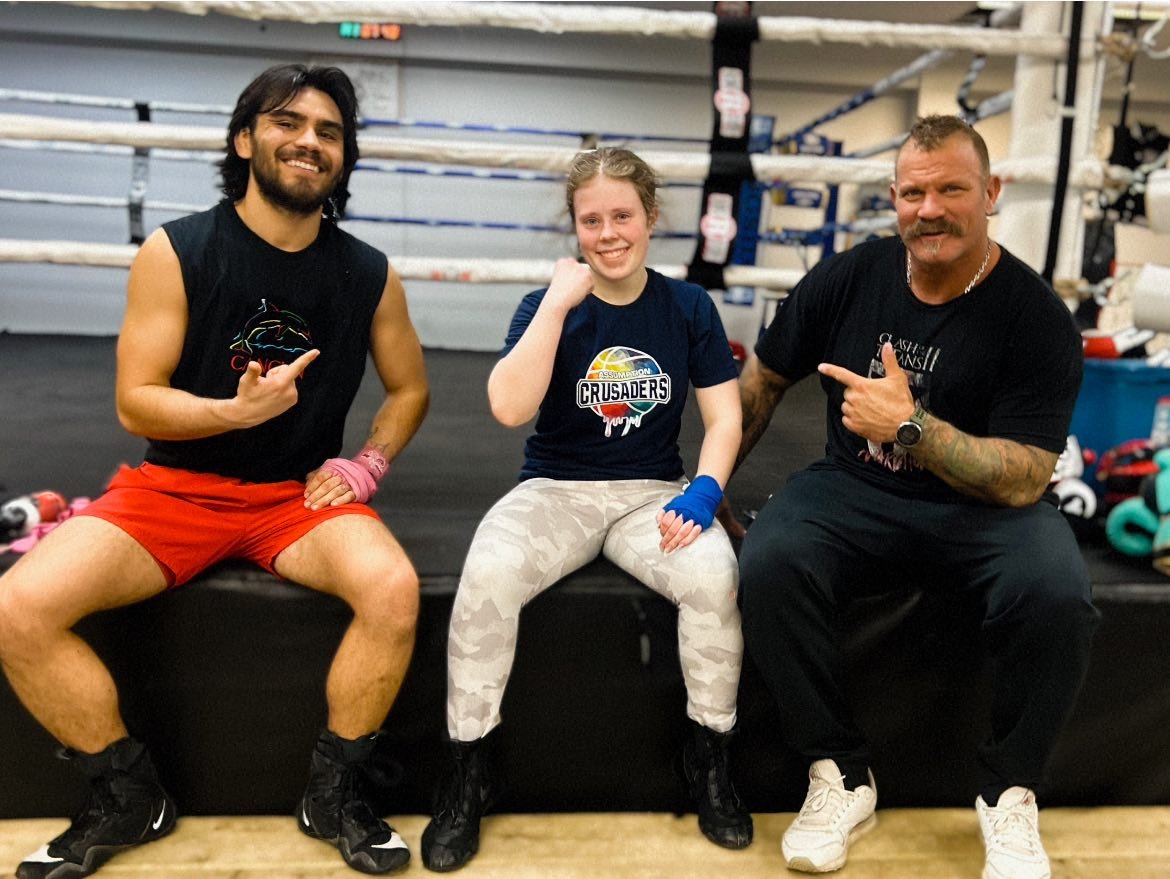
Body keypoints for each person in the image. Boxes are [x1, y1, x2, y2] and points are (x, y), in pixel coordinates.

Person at [0, 64, 429, 878]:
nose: (309, 140)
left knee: (393, 590)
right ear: (246, 140)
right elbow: (137, 401)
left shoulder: (368, 271)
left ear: (343, 158)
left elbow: (410, 389)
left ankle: (333, 793)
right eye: (288, 122)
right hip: (175, 491)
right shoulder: (178, 250)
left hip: (297, 497)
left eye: (329, 131)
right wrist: (228, 414)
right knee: (17, 606)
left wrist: (367, 462)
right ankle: (128, 794)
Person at [731, 115, 1099, 877]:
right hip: (855, 491)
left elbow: (1028, 475)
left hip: (985, 512)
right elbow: (763, 379)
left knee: (1059, 592)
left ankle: (1009, 794)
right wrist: (705, 487)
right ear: (894, 199)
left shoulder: (1035, 319)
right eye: (912, 192)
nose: (928, 209)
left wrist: (913, 429)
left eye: (951, 190)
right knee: (768, 559)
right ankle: (840, 773)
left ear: (991, 193)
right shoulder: (853, 274)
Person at [420, 147, 752, 872]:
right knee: (484, 581)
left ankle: (710, 761)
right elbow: (509, 407)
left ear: (652, 219)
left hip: (650, 495)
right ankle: (467, 773)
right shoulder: (547, 305)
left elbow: (725, 419)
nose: (608, 232)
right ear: (574, 226)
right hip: (556, 489)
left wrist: (703, 492)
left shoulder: (689, 306)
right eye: (591, 218)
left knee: (714, 579)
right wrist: (556, 304)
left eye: (622, 215)